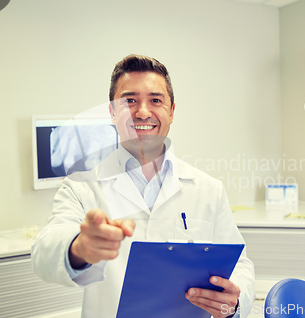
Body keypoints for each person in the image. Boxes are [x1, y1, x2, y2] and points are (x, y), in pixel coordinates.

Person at [31, 54, 255, 318]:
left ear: (171, 112)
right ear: (112, 112)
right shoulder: (81, 187)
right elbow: (43, 253)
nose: (143, 111)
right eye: (129, 101)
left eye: (156, 100)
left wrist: (234, 302)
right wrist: (79, 247)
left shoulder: (208, 189)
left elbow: (239, 264)